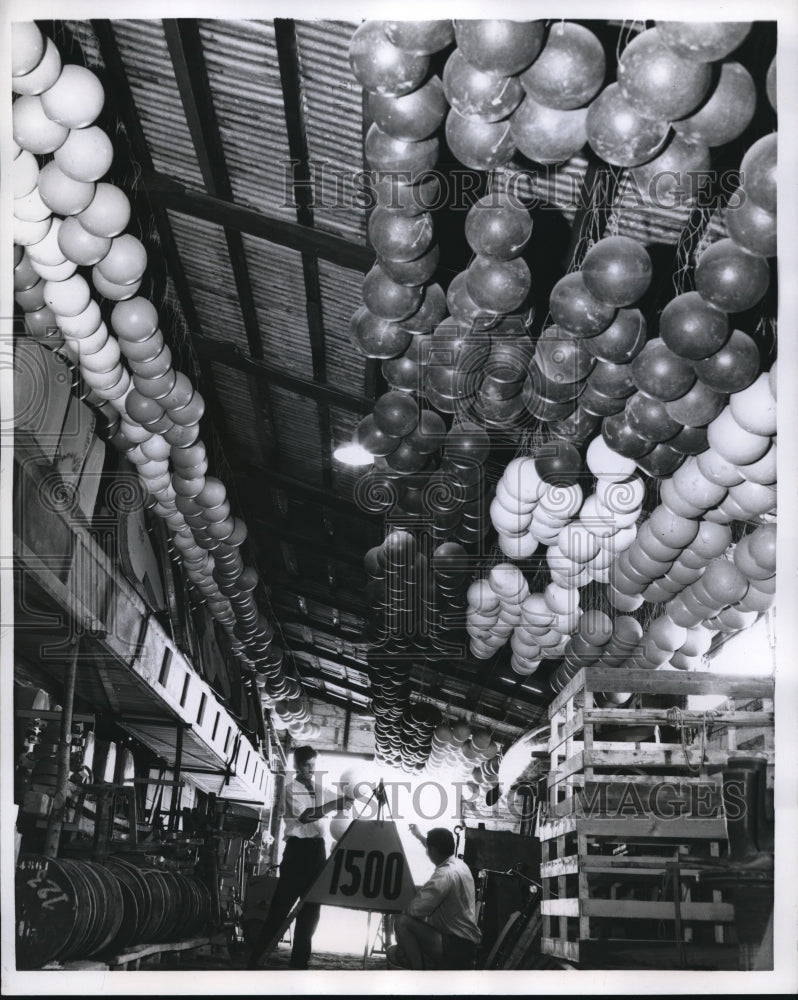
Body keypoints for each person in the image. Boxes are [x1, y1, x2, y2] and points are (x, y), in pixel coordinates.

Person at [248, 746, 352, 970]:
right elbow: (306, 817)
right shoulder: (291, 789)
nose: (311, 770)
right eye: (307, 766)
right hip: (297, 853)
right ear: (296, 765)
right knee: (280, 910)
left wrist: (359, 794)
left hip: (317, 851)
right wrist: (336, 804)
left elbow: (343, 799)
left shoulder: (318, 789)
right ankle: (255, 961)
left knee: (311, 911)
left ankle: (298, 965)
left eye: (314, 766)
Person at [388, 826, 482, 970]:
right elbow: (433, 846)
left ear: (432, 850)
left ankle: (419, 975)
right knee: (402, 948)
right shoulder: (460, 865)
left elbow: (413, 910)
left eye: (429, 849)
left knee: (402, 924)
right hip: (467, 945)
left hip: (456, 948)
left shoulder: (444, 875)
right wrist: (418, 835)